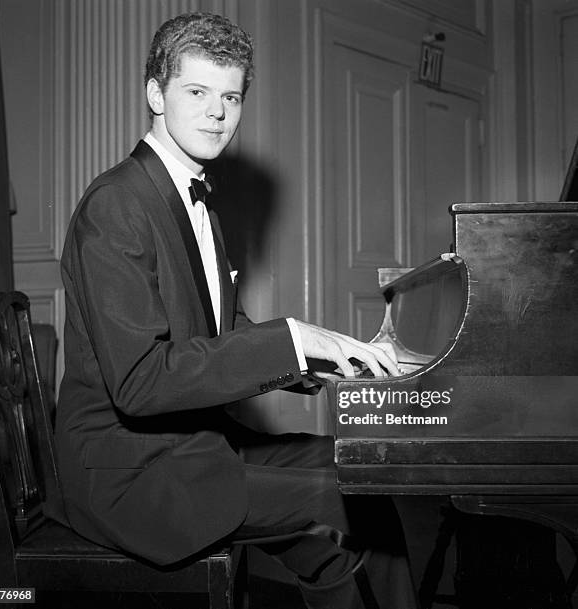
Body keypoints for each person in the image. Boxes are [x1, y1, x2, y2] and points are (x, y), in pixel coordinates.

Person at [55, 13, 417, 609]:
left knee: (359, 468)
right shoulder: (117, 204)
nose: (217, 113)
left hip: (193, 443)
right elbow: (141, 382)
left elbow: (225, 334)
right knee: (339, 500)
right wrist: (295, 337)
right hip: (128, 472)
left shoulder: (195, 200)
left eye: (230, 96)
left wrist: (331, 360)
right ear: (155, 94)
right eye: (195, 92)